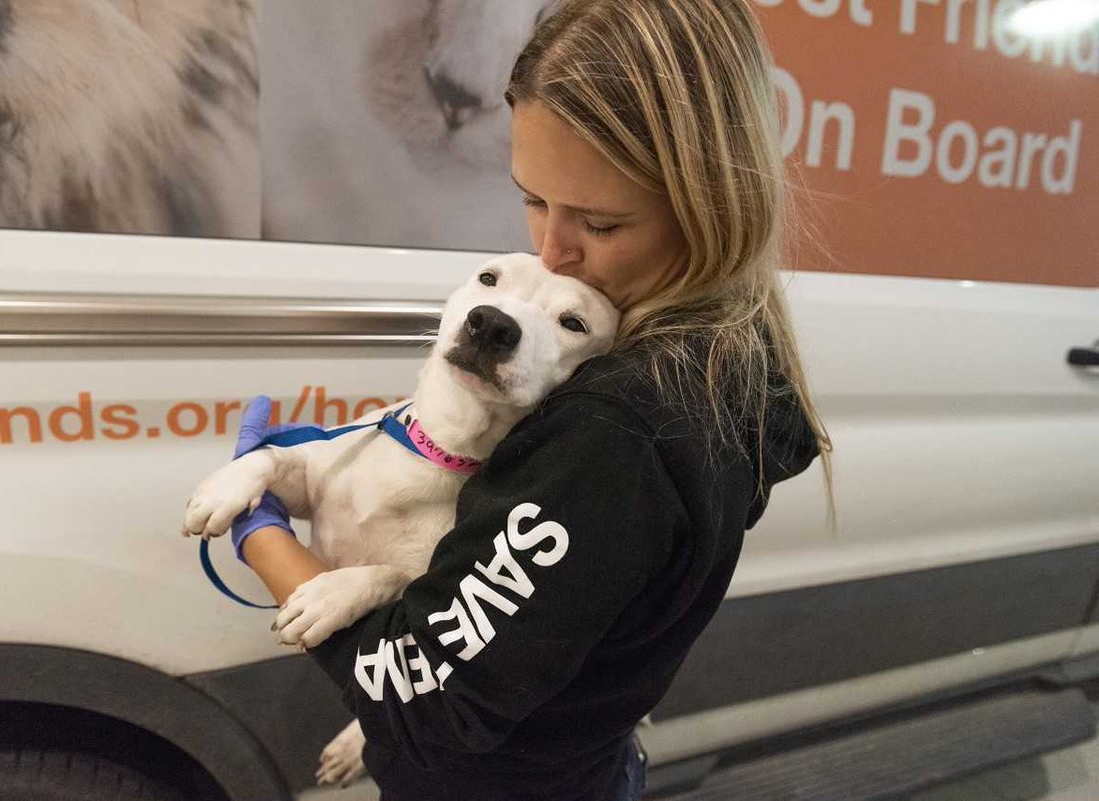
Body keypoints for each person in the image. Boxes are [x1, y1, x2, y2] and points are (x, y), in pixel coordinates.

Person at [232, 1, 834, 798]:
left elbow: (423, 699)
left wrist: (262, 535)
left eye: (601, 222)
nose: (552, 249)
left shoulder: (616, 433)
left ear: (712, 201)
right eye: (532, 198)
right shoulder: (730, 366)